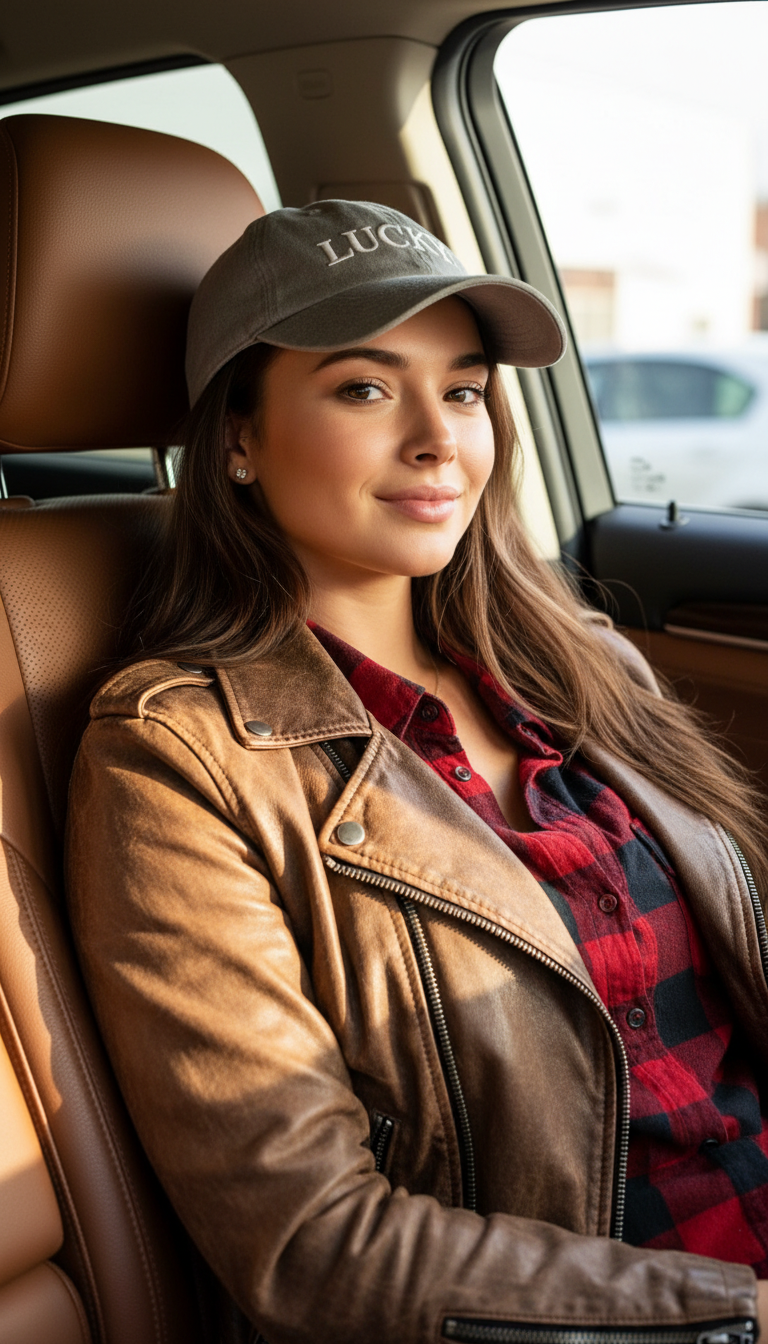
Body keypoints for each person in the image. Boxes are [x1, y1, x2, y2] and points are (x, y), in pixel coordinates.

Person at [66, 199, 768, 1344]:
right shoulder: (177, 758)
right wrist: (739, 1316)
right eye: (363, 387)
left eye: (463, 389)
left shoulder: (584, 664)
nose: (442, 439)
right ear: (236, 436)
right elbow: (311, 1241)